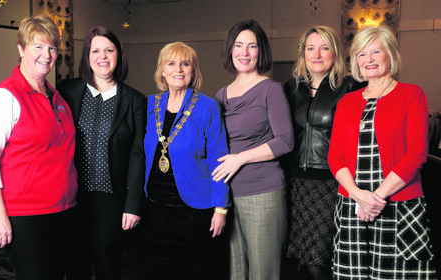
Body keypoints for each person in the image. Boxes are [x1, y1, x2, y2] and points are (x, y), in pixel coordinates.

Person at [328, 25, 437, 279]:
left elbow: (418, 153)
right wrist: (358, 196)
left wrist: (375, 199)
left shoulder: (412, 94)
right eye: (362, 54)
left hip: (398, 205)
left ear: (390, 55)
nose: (369, 60)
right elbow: (335, 157)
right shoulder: (345, 102)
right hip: (353, 206)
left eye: (376, 51)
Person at [0, 14, 77, 280]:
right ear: (21, 49)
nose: (47, 54)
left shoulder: (57, 98)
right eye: (38, 46)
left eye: (52, 47)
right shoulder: (6, 96)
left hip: (64, 210)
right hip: (27, 216)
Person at [57, 26, 146, 280]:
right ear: (87, 56)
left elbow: (137, 155)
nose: (102, 56)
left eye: (109, 50)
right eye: (95, 50)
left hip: (112, 200)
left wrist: (133, 205)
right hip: (74, 198)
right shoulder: (68, 91)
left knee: (109, 267)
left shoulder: (134, 99)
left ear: (118, 55)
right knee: (75, 266)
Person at [212, 19, 294, 280]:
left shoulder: (271, 89)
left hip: (263, 192)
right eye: (238, 45)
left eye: (252, 46)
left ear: (261, 52)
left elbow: (285, 141)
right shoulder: (220, 95)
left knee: (263, 272)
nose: (244, 53)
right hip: (227, 196)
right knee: (236, 272)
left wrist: (240, 159)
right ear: (230, 50)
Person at [283, 26, 366, 280]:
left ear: (336, 52)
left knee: (319, 260)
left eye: (324, 47)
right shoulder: (290, 88)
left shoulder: (352, 87)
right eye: (310, 48)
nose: (316, 54)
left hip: (330, 182)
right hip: (293, 181)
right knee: (295, 255)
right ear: (303, 54)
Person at [143, 41, 230, 280]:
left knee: (192, 271)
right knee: (157, 270)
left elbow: (219, 161)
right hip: (154, 207)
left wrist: (221, 209)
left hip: (193, 209)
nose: (178, 69)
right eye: (171, 63)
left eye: (185, 63)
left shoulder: (208, 107)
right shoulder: (148, 104)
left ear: (194, 71)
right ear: (162, 70)